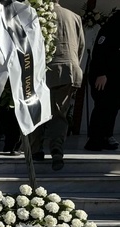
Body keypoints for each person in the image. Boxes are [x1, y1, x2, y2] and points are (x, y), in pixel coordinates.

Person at [31, 0, 84, 171]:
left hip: (45, 70)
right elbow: (80, 46)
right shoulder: (74, 17)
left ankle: (36, 150)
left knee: (37, 110)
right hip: (69, 69)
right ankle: (57, 151)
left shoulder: (37, 15)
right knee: (60, 113)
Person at [84, 10, 120, 151]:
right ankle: (95, 139)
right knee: (102, 107)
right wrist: (101, 73)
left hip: (114, 78)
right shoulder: (108, 31)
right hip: (103, 77)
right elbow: (100, 52)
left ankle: (106, 136)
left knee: (112, 108)